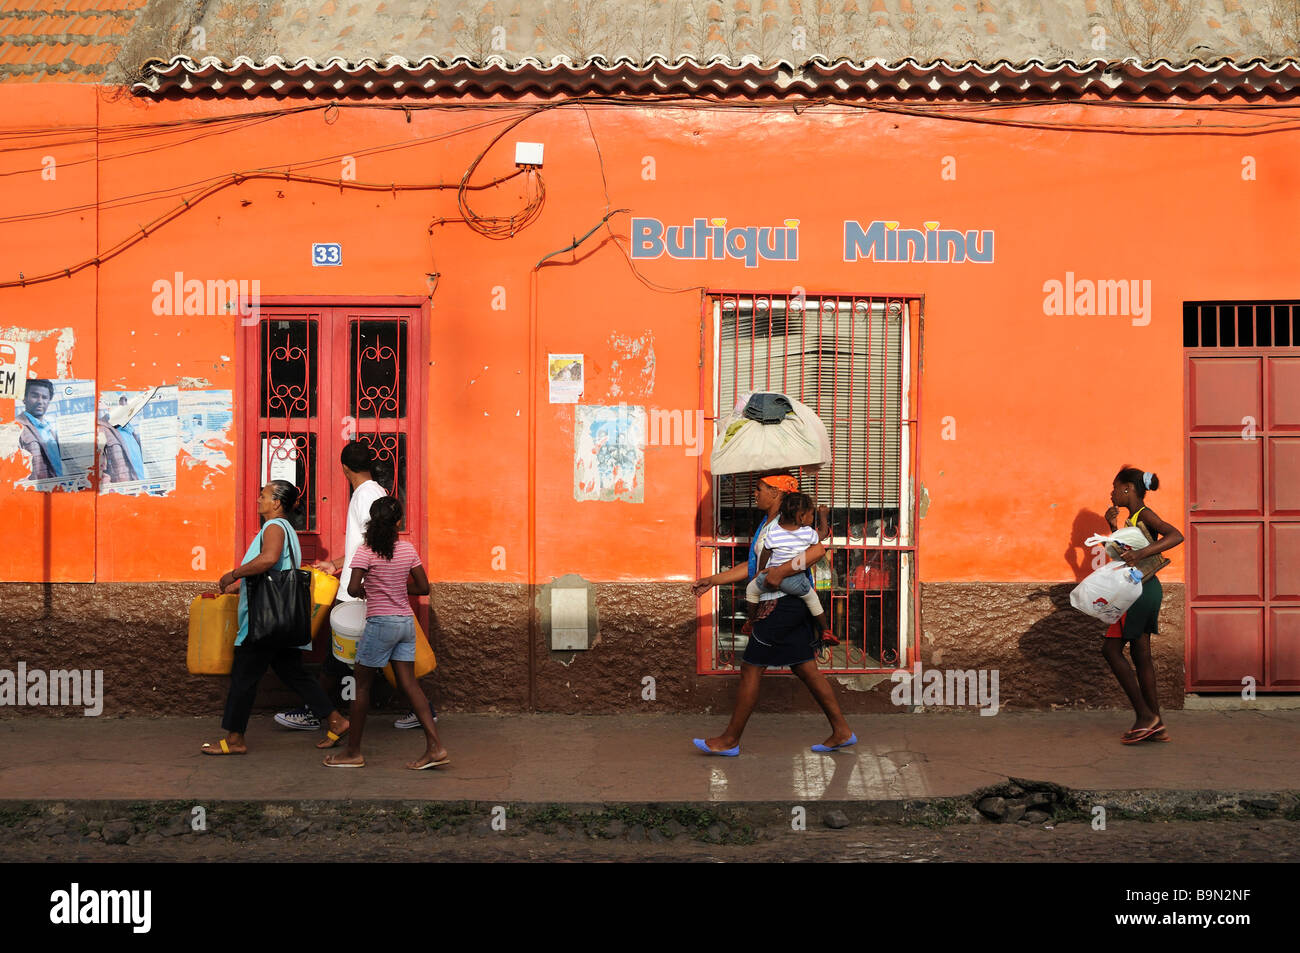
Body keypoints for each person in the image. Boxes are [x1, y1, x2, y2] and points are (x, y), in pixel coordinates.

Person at [275, 442, 437, 731]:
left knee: (338, 654)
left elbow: (374, 544)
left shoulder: (365, 496)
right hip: (360, 584)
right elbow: (369, 542)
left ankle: (318, 713)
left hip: (359, 589)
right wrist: (337, 563)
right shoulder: (373, 492)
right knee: (356, 656)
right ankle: (421, 709)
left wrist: (361, 583)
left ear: (344, 468)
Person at [691, 474, 855, 756]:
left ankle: (730, 740)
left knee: (751, 667)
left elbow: (818, 549)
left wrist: (783, 570)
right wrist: (714, 580)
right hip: (786, 604)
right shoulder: (767, 525)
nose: (755, 494)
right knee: (804, 667)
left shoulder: (788, 521)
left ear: (777, 493)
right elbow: (755, 567)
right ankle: (841, 731)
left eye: (759, 489)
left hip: (781, 605)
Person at [201, 480, 349, 755]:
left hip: (264, 618)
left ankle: (235, 740)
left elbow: (268, 560)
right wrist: (237, 586)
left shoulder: (273, 527)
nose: (258, 499)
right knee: (293, 673)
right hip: (282, 616)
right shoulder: (287, 530)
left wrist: (234, 574)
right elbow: (275, 568)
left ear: (277, 503)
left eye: (263, 495)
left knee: (244, 676)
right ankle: (336, 720)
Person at [323, 497, 449, 770]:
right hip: (405, 624)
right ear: (398, 522)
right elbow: (423, 587)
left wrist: (372, 591)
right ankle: (435, 747)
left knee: (362, 687)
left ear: (371, 520)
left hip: (380, 624)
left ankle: (352, 752)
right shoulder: (407, 550)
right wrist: (397, 591)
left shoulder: (365, 552)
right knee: (410, 684)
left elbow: (354, 589)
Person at [1102, 466, 1183, 744]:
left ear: (1128, 488)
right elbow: (1124, 555)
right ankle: (1155, 723)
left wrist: (1142, 552)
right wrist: (1113, 529)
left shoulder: (1144, 514)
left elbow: (1176, 535)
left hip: (1139, 591)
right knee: (1141, 655)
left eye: (1115, 487)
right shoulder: (1131, 519)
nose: (1111, 492)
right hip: (1141, 589)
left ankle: (1144, 717)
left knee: (1111, 650)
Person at [744, 491, 831, 636]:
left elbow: (766, 552)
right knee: (812, 599)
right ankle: (826, 630)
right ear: (801, 517)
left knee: (751, 590)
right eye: (811, 514)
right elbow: (822, 533)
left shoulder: (774, 532)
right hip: (796, 580)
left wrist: (760, 570)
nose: (812, 517)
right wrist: (823, 516)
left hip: (772, 577)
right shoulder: (807, 532)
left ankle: (751, 621)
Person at [16, 379, 63, 480]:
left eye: (45, 397)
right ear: (24, 398)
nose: (40, 401)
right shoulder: (15, 428)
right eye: (34, 396)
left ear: (49, 401)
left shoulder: (51, 430)